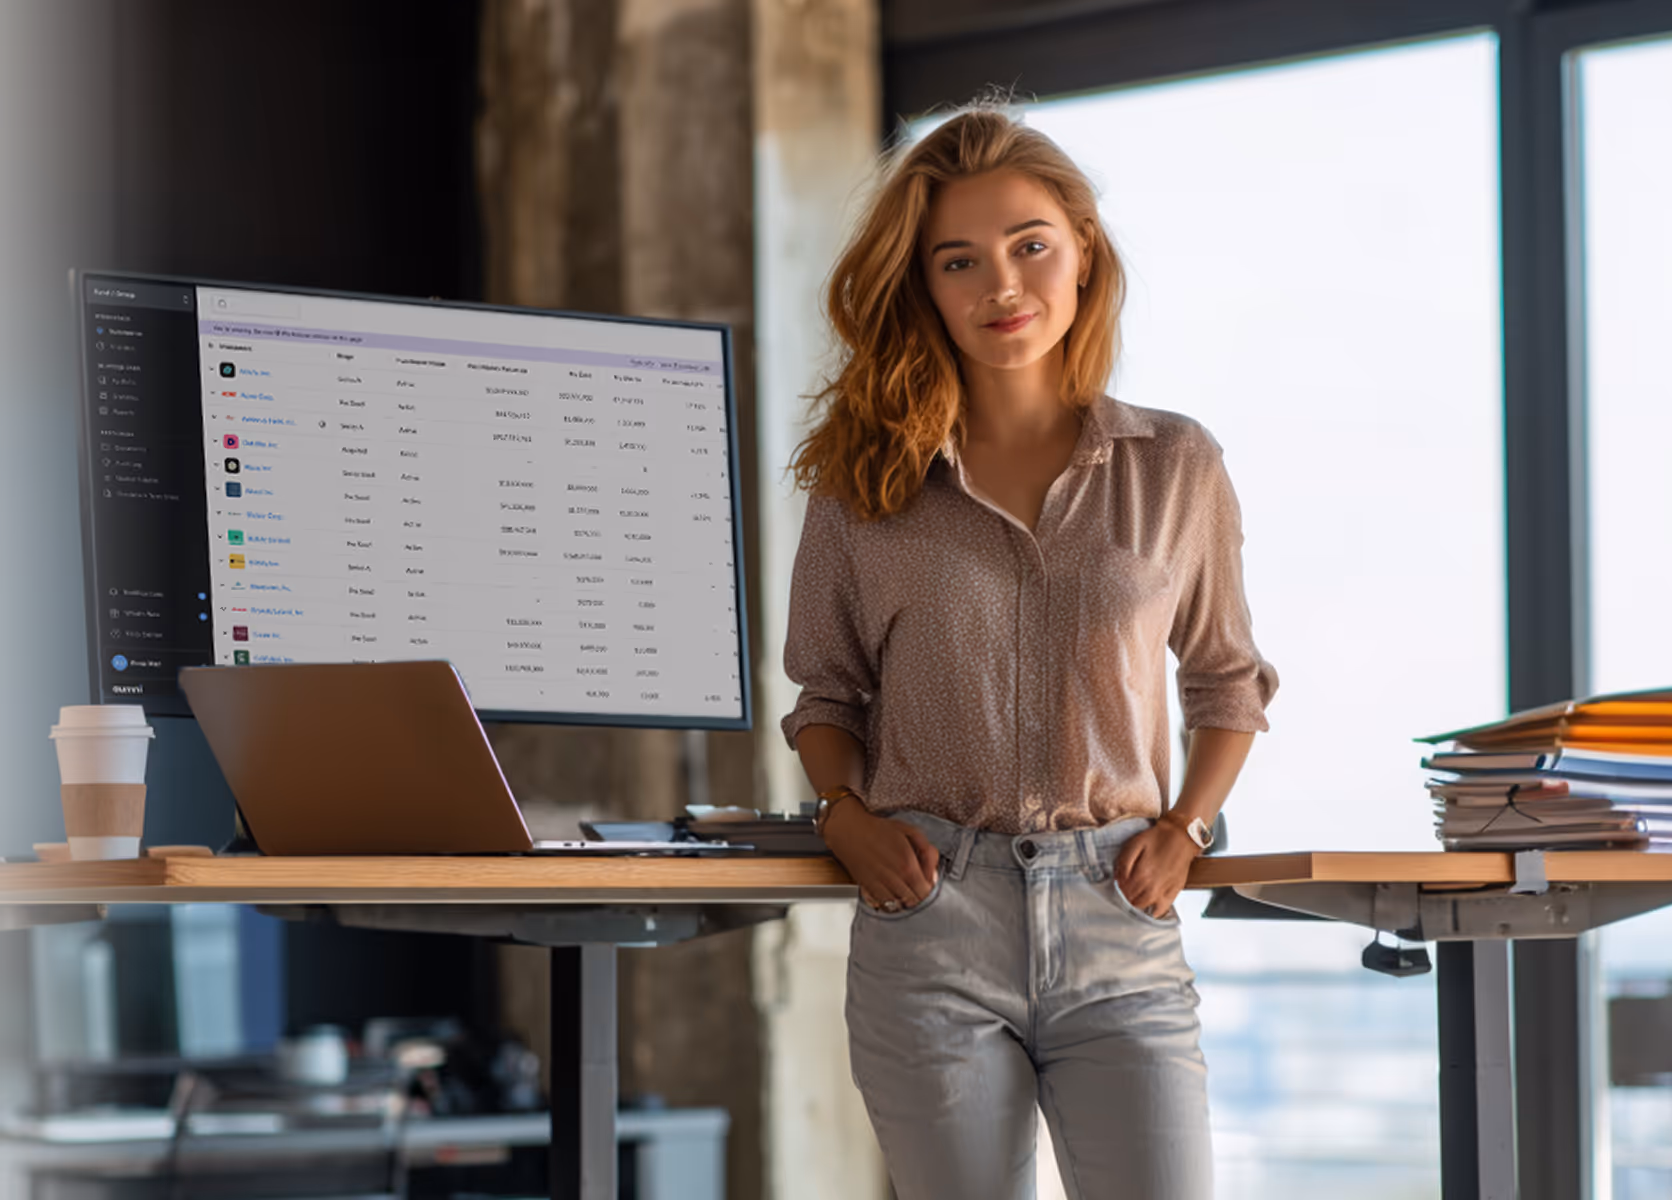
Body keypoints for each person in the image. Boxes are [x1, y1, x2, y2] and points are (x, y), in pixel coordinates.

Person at [780, 103, 1278, 1200]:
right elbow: (826, 690)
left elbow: (1225, 681)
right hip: (929, 922)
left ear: (1082, 252)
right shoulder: (861, 484)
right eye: (958, 261)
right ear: (924, 287)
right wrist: (845, 819)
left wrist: (1186, 829)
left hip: (1119, 918)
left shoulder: (1174, 465)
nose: (1000, 286)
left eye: (1028, 246)